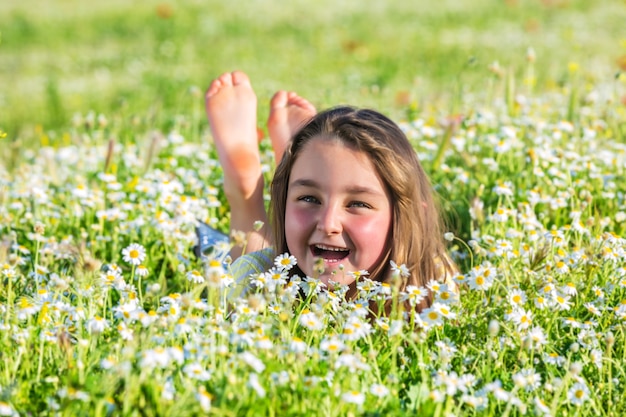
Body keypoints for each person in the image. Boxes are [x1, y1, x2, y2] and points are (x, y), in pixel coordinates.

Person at [205, 71, 455, 312]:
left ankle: (296, 168)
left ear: (408, 217)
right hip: (275, 270)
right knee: (253, 273)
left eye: (358, 204)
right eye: (309, 198)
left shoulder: (435, 286)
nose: (328, 224)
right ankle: (245, 192)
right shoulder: (256, 281)